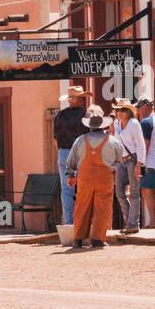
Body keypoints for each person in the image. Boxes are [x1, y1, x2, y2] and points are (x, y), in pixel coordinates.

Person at [65, 106, 127, 248]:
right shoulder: (113, 142)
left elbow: (71, 161)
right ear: (103, 125)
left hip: (84, 179)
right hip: (104, 179)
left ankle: (78, 239)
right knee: (102, 208)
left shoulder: (80, 140)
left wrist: (70, 175)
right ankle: (98, 239)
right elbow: (119, 162)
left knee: (82, 207)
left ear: (89, 126)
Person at [54, 86, 90, 226]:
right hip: (81, 153)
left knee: (66, 191)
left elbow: (55, 139)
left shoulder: (59, 116)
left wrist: (62, 153)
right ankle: (81, 222)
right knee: (83, 189)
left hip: (63, 153)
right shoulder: (86, 116)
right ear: (81, 99)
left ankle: (69, 222)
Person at [109, 99, 145, 234]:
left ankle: (132, 223)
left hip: (132, 160)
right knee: (119, 192)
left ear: (128, 112)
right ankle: (130, 220)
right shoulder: (116, 124)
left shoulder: (134, 124)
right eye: (118, 110)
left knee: (134, 193)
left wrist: (139, 164)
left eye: (122, 110)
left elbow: (141, 145)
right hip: (120, 161)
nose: (119, 112)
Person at [135, 97, 155, 229]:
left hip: (151, 159)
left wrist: (139, 163)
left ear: (145, 106)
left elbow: (144, 146)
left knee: (147, 191)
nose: (137, 110)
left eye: (138, 107)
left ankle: (153, 222)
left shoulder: (145, 122)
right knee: (151, 192)